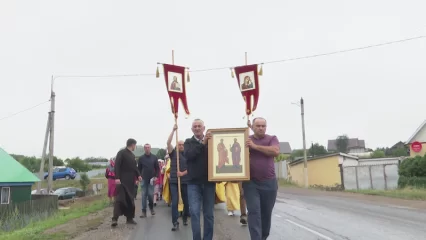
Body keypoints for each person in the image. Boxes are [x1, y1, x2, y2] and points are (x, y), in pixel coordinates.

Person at [244, 118, 280, 240]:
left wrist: (254, 146)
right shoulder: (246, 140)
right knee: (254, 212)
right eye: (258, 125)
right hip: (251, 183)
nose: (261, 128)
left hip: (269, 183)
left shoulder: (271, 139)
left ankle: (263, 237)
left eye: (263, 126)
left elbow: (275, 151)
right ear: (252, 127)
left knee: (266, 214)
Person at [184, 119, 215, 240]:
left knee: (208, 214)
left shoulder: (212, 141)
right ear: (192, 129)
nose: (197, 128)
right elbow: (189, 155)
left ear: (204, 128)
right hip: (193, 183)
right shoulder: (188, 142)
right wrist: (203, 144)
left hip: (209, 182)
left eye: (199, 126)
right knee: (195, 213)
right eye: (195, 126)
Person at [111, 138, 141, 227]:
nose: (135, 147)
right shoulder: (121, 153)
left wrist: (138, 175)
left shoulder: (132, 155)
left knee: (130, 200)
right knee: (120, 200)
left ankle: (129, 218)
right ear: (132, 144)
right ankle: (114, 219)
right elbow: (117, 165)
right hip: (122, 181)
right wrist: (117, 178)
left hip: (131, 181)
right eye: (135, 145)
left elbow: (135, 167)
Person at [167, 124, 190, 231]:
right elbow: (168, 143)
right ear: (177, 145)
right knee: (175, 201)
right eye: (179, 144)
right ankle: (175, 222)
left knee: (186, 201)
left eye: (182, 144)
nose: (181, 146)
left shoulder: (188, 155)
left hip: (185, 181)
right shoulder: (173, 154)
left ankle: (185, 217)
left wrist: (183, 173)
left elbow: (192, 169)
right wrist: (173, 130)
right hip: (174, 182)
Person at [138, 143, 160, 218]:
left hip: (151, 179)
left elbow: (157, 168)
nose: (147, 149)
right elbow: (138, 169)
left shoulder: (154, 157)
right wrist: (139, 176)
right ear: (144, 149)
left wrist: (156, 176)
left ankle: (151, 208)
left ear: (150, 148)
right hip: (144, 179)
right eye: (146, 147)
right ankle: (143, 211)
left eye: (148, 147)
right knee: (144, 195)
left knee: (150, 195)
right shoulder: (141, 158)